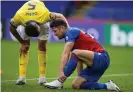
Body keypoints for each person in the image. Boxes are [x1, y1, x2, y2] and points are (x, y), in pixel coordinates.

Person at [44, 19, 121, 92]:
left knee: (75, 52)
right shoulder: (73, 37)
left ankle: (59, 82)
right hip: (95, 63)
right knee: (76, 84)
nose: (54, 34)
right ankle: (108, 86)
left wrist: (61, 71)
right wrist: (80, 76)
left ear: (62, 28)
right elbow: (78, 60)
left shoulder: (70, 32)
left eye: (55, 31)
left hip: (102, 57)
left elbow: (65, 53)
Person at [10, 0, 69, 85]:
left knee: (42, 46)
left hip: (40, 19)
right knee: (24, 47)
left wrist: (68, 30)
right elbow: (12, 28)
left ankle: (42, 78)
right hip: (26, 20)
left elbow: (61, 16)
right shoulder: (19, 16)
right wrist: (21, 42)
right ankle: (21, 78)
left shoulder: (45, 15)